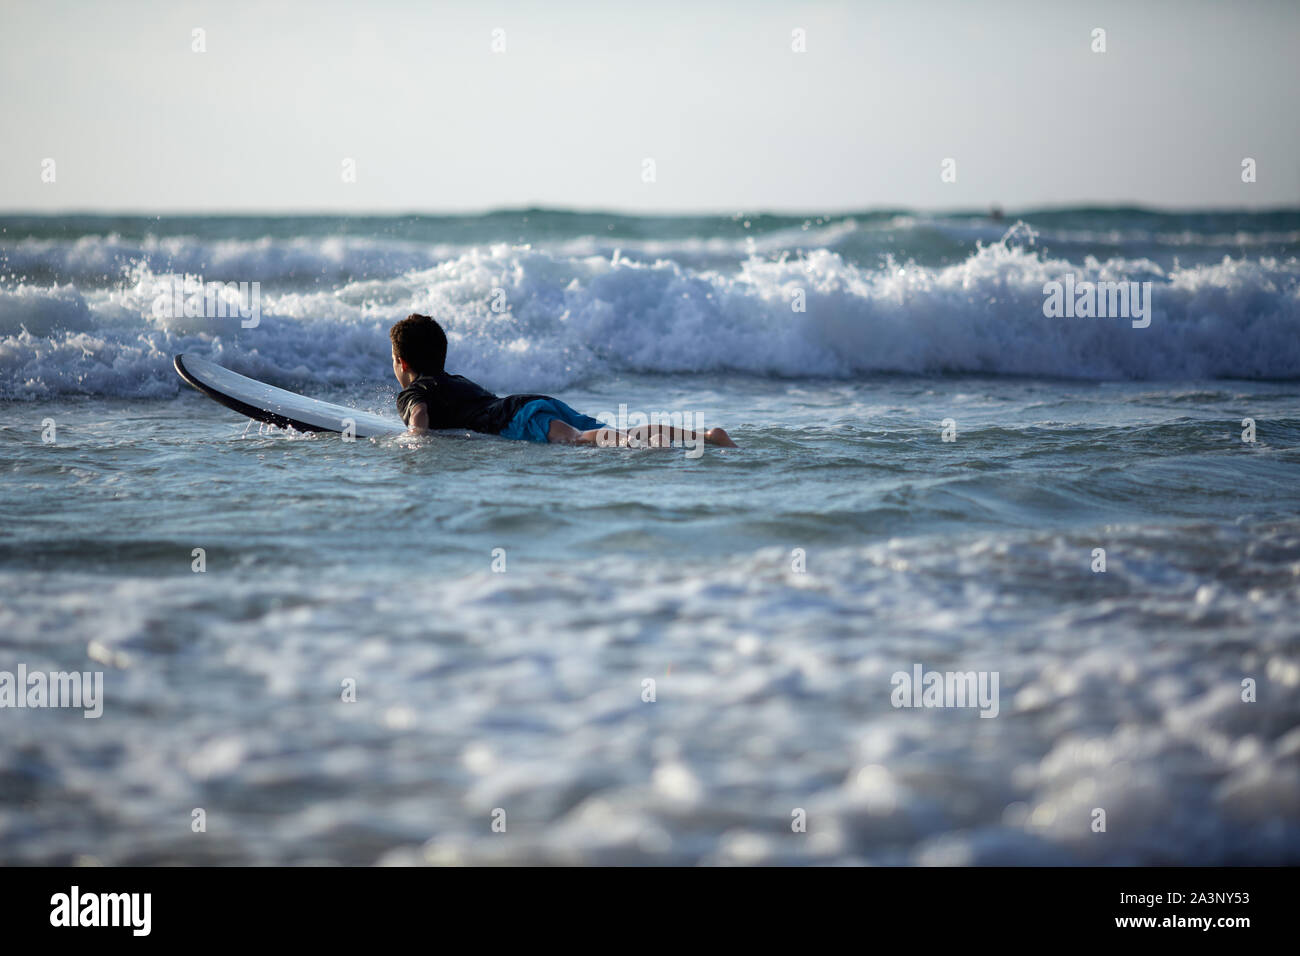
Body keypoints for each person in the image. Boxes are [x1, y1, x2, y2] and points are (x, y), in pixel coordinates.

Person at [390, 314, 737, 448]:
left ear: (402, 362)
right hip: (530, 403)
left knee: (576, 439)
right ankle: (705, 436)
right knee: (617, 431)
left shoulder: (413, 390)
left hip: (515, 420)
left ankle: (651, 445)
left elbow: (418, 414)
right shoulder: (458, 381)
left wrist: (415, 442)